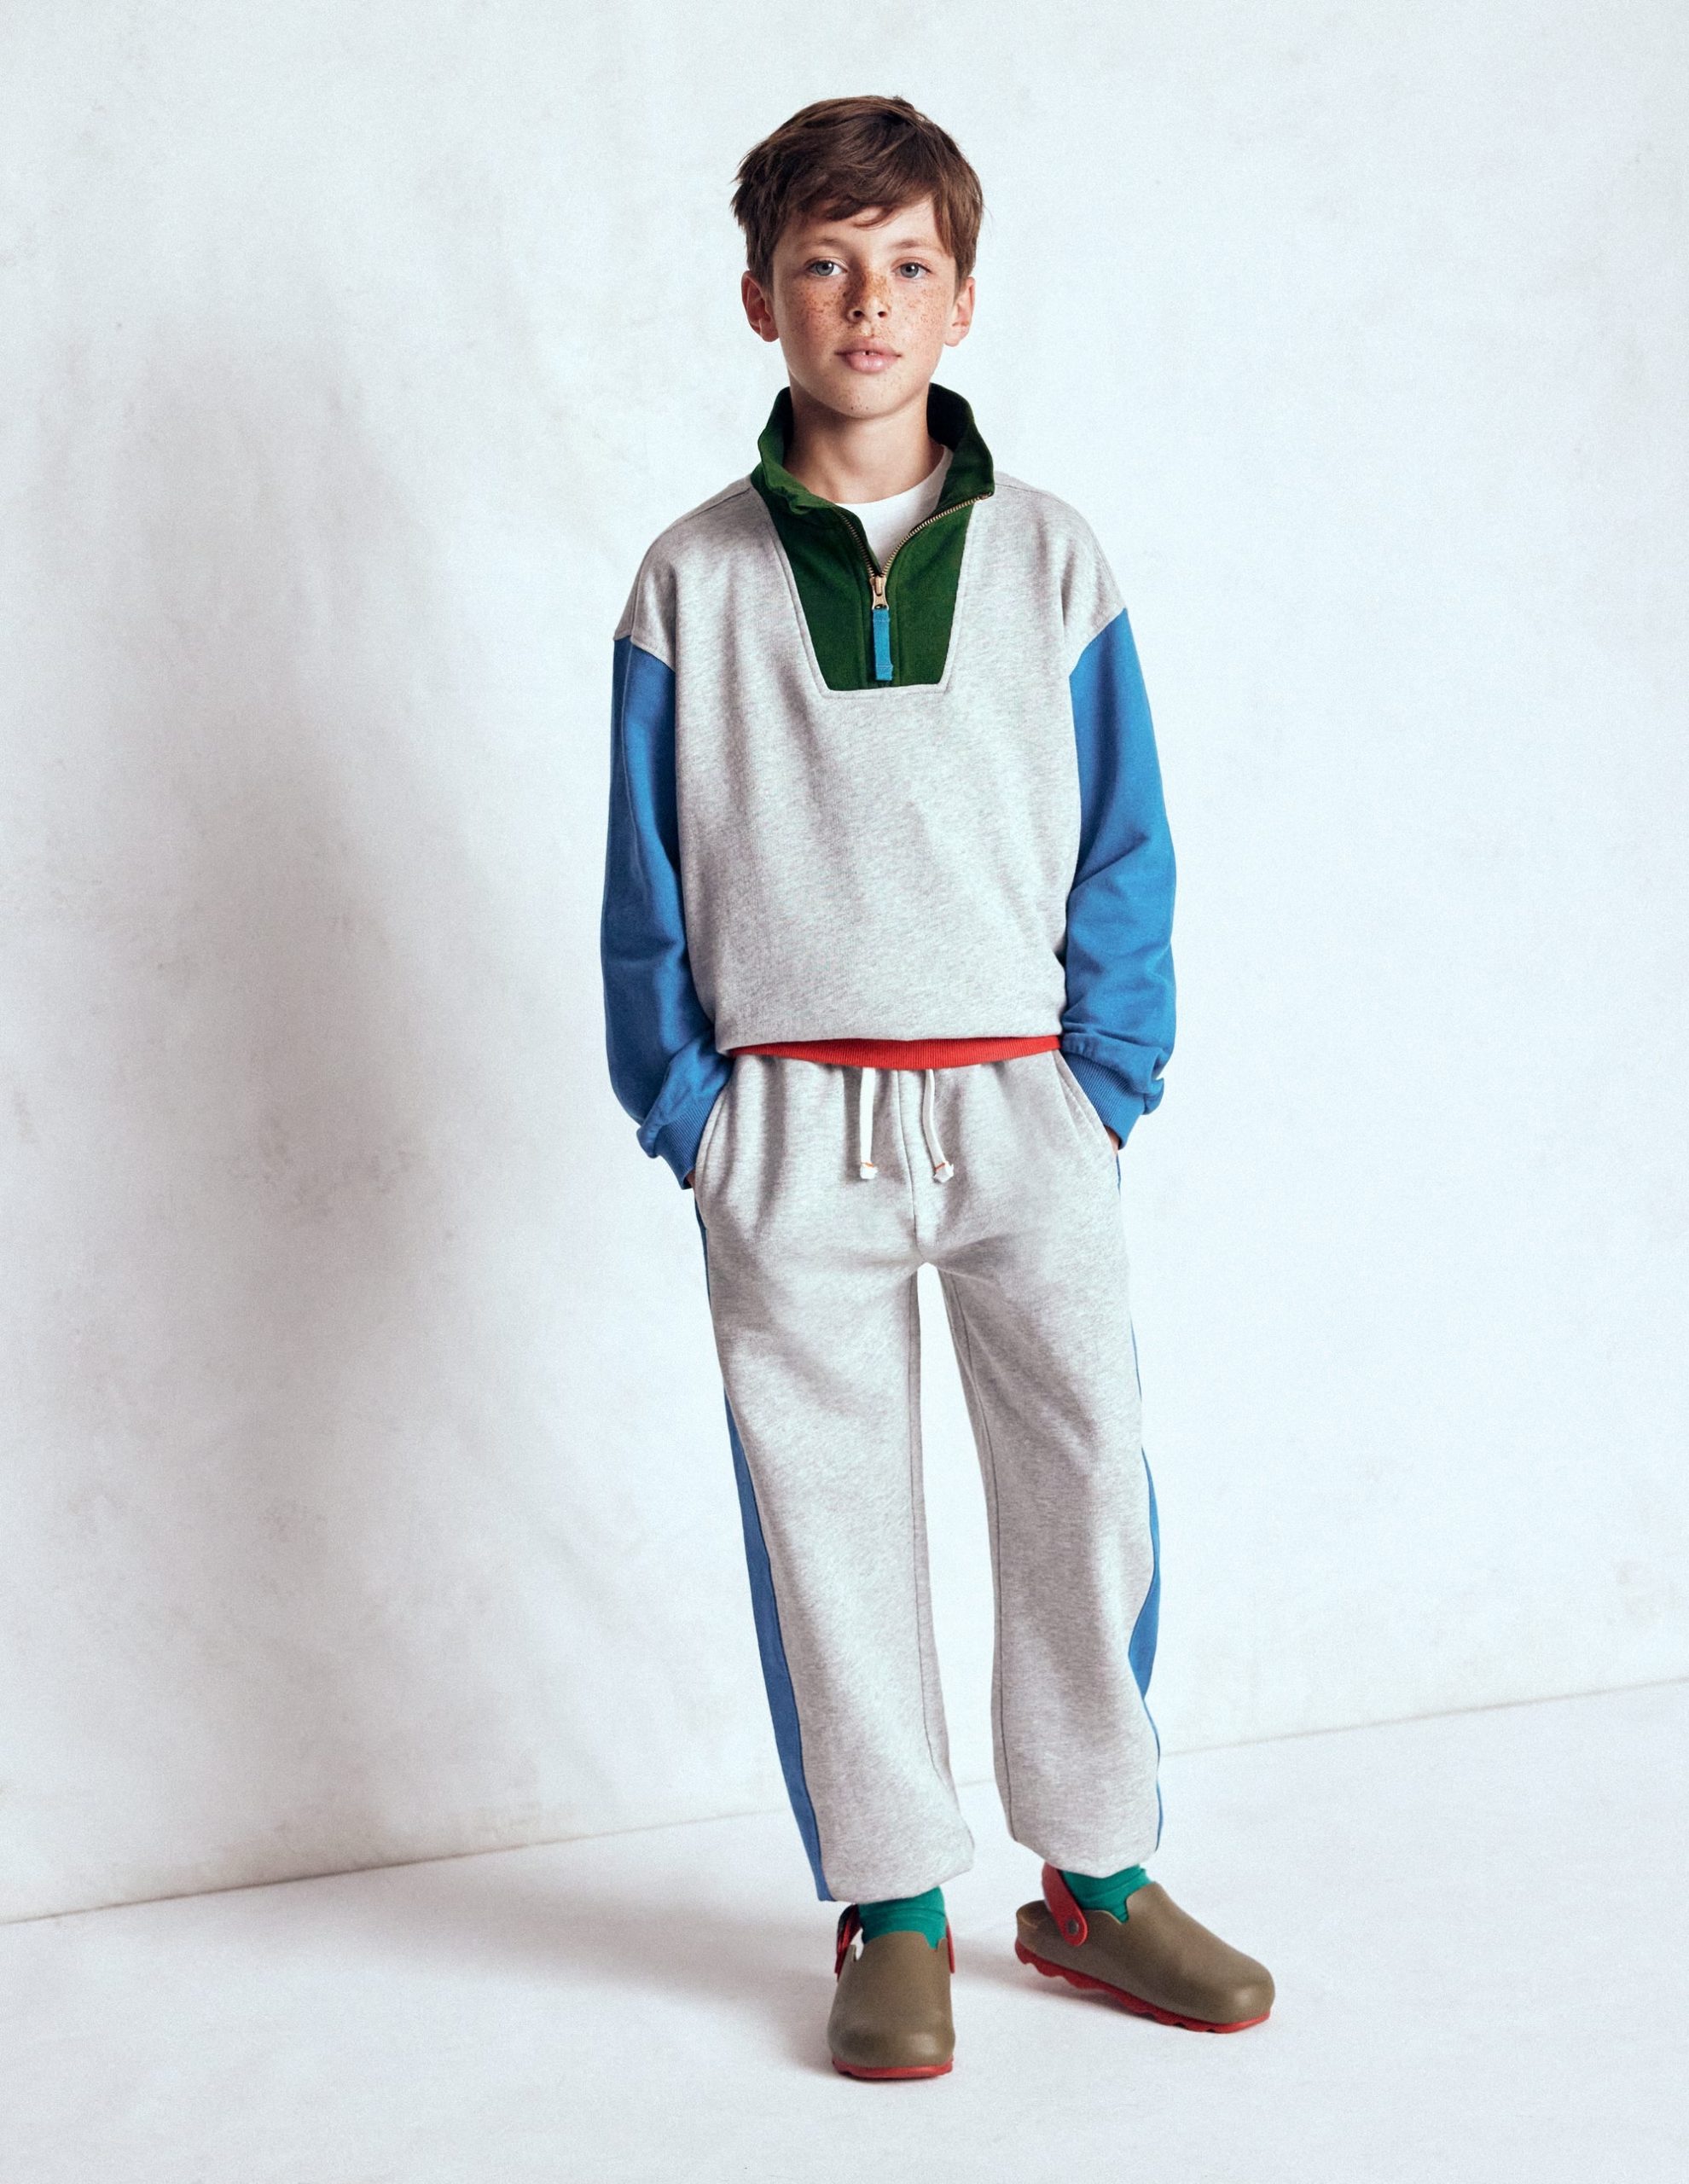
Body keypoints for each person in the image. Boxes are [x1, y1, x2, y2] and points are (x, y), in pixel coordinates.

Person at [600, 93, 1273, 2081]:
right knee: (829, 1521)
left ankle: (1097, 1876)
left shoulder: (1055, 559)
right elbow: (640, 869)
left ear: (962, 298)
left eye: (904, 264)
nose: (866, 301)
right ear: (761, 299)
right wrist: (691, 1110)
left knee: (1082, 1482)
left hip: (1019, 1107)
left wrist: (1105, 1077)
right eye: (824, 264)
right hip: (788, 1123)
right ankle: (890, 1903)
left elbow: (1125, 836)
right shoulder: (690, 580)